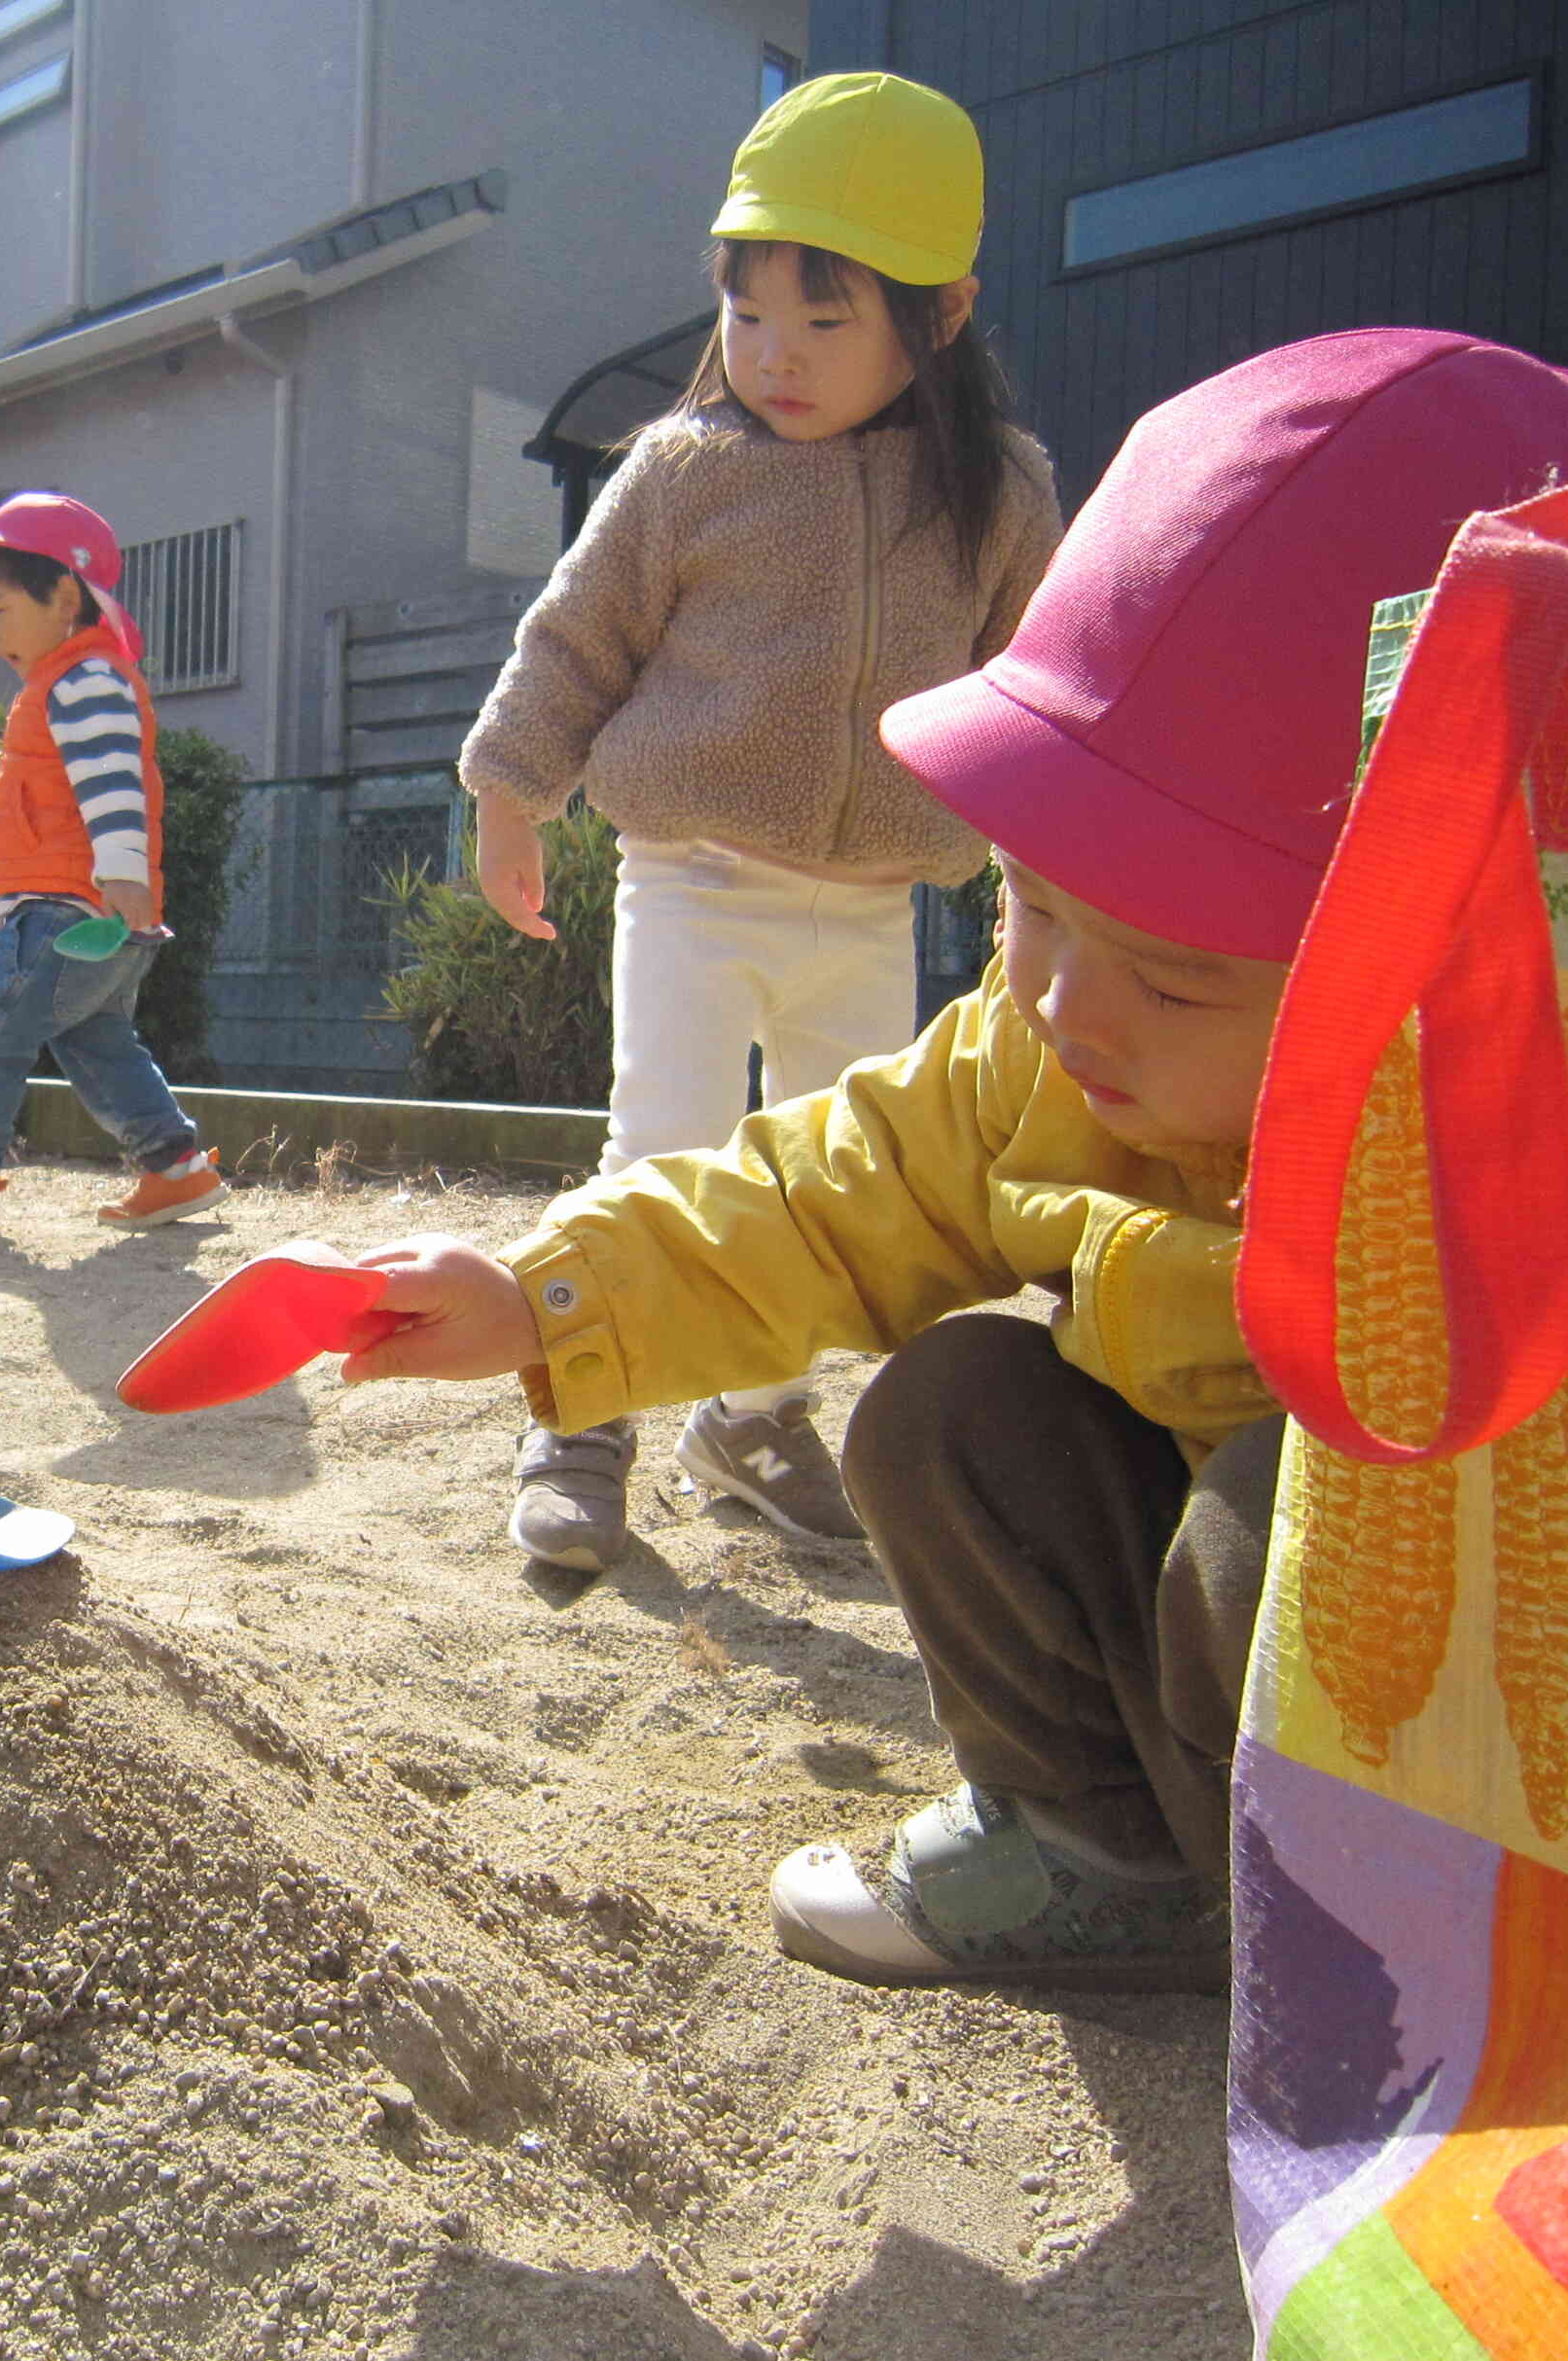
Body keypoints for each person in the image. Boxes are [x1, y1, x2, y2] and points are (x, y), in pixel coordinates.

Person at [340, 329, 1568, 1991]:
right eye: (1032, 898)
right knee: (952, 1412)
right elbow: (821, 1191)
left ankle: (1370, 1969)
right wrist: (536, 1292)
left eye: (1176, 971)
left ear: (1451, 984)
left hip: (1519, 1771)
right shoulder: (1041, 1050)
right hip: (1222, 1679)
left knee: (1274, 1507)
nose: (1066, 995)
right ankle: (1111, 1851)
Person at [455, 71, 1065, 1570]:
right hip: (694, 877)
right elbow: (575, 636)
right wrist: (507, 786)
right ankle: (578, 1413)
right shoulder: (685, 473)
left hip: (867, 900)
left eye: (825, 313)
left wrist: (1048, 875)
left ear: (943, 312)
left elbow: (1044, 686)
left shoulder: (994, 496)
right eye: (746, 309)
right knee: (663, 1140)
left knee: (826, 1184)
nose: (773, 352)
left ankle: (748, 1419)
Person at [0, 491, 227, 1234]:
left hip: (70, 911)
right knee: (92, 1038)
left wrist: (122, 867)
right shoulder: (69, 680)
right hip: (86, 908)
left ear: (65, 595)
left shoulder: (84, 678)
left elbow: (112, 784)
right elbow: (48, 821)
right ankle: (174, 1168)